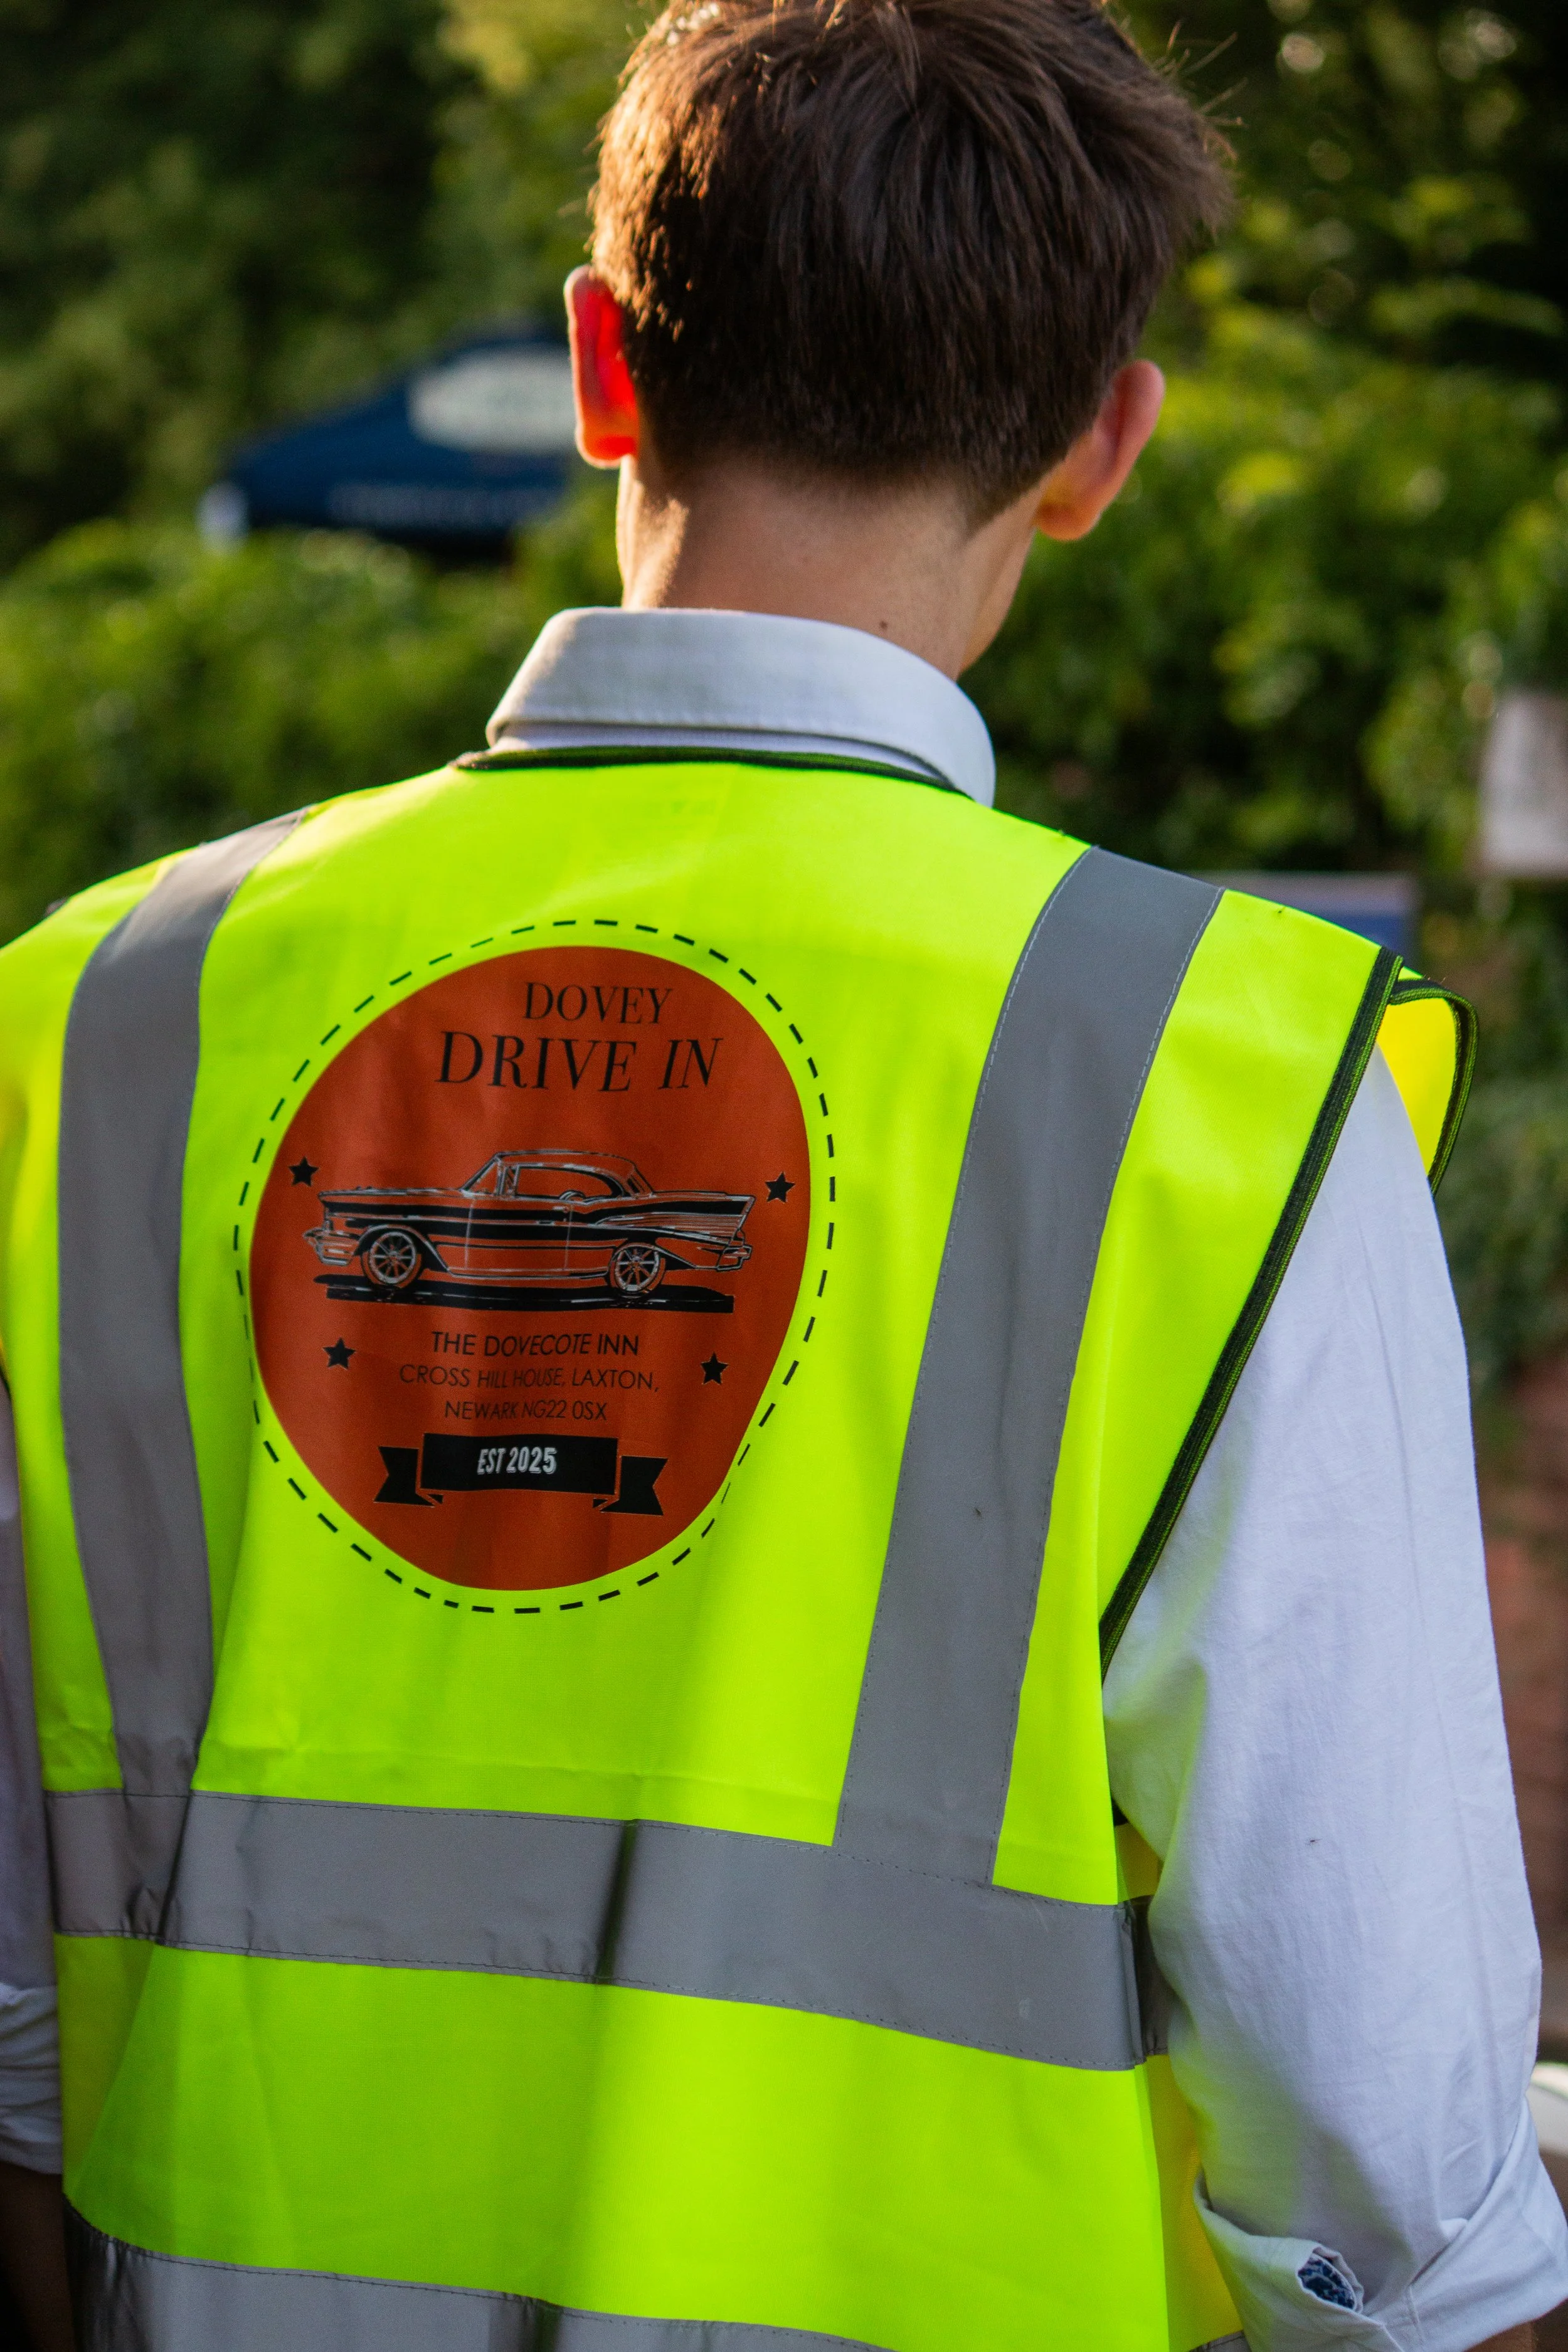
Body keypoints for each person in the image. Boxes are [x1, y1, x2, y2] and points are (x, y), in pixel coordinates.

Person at [0, 2, 1562, 2346]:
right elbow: (1382, 2143)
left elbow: (17, 2044)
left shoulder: (94, 1021)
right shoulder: (1211, 1085)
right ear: (1102, 444)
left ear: (599, 367)